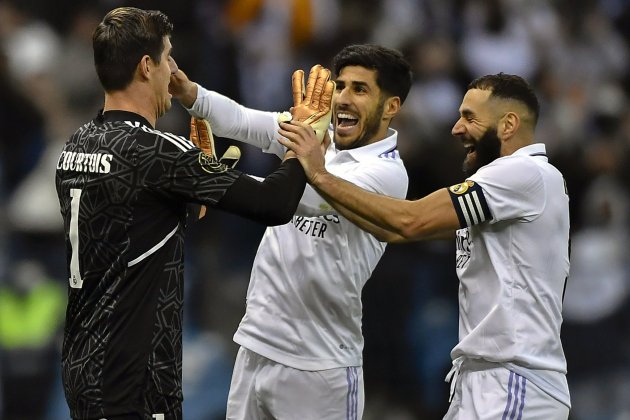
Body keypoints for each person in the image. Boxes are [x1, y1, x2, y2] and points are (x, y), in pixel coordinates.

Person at [55, 7, 325, 420]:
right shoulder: (158, 150)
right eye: (167, 57)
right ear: (147, 66)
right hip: (137, 378)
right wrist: (301, 143)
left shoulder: (77, 145)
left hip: (83, 363)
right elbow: (273, 203)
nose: (172, 69)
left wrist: (194, 187)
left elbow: (139, 224)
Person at [280, 73, 571, 419]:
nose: (456, 128)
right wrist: (300, 191)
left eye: (469, 117)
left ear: (508, 125)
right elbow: (394, 232)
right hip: (486, 379)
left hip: (515, 380)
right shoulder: (514, 187)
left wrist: (319, 173)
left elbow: (410, 220)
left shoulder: (524, 173)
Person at [169, 44, 412, 418]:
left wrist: (207, 179)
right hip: (256, 345)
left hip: (319, 366)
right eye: (341, 86)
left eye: (360, 90)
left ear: (391, 106)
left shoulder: (387, 174)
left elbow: (302, 197)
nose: (343, 99)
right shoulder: (317, 133)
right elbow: (242, 120)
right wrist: (189, 93)